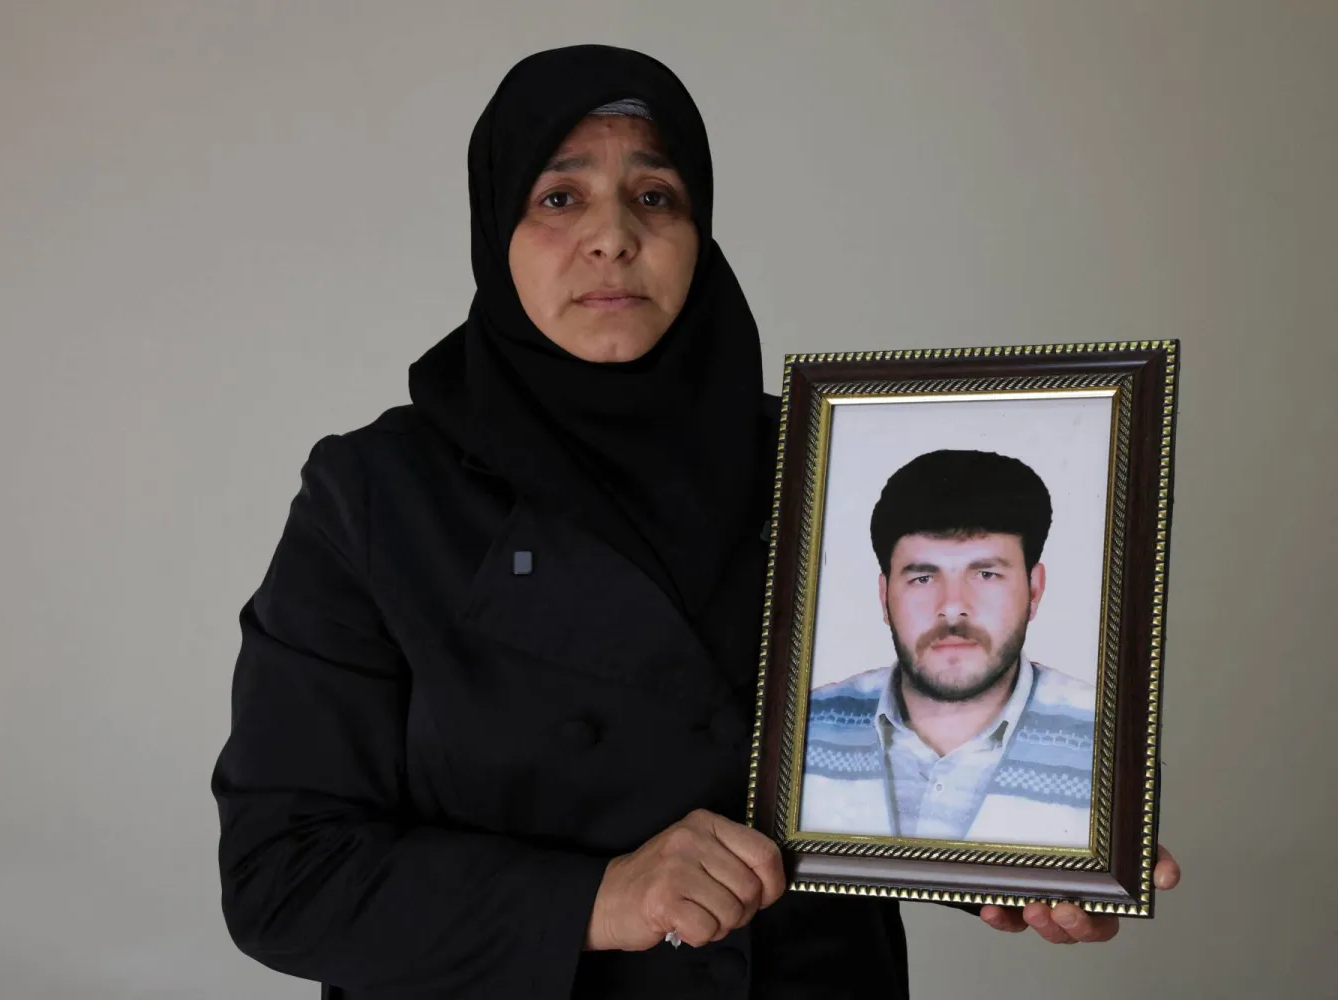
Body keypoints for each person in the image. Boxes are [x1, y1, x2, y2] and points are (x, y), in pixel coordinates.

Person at [211, 45, 1180, 1000]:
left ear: (699, 231)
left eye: (655, 196)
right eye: (559, 197)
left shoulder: (824, 461)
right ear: (493, 229)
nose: (612, 237)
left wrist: (1021, 854)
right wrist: (600, 897)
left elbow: (863, 751)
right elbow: (283, 876)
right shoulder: (378, 496)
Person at [800, 449, 1096, 848]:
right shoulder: (803, 727)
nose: (953, 606)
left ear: (1035, 590)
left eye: (986, 574)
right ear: (884, 596)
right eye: (923, 577)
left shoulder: (1106, 737)